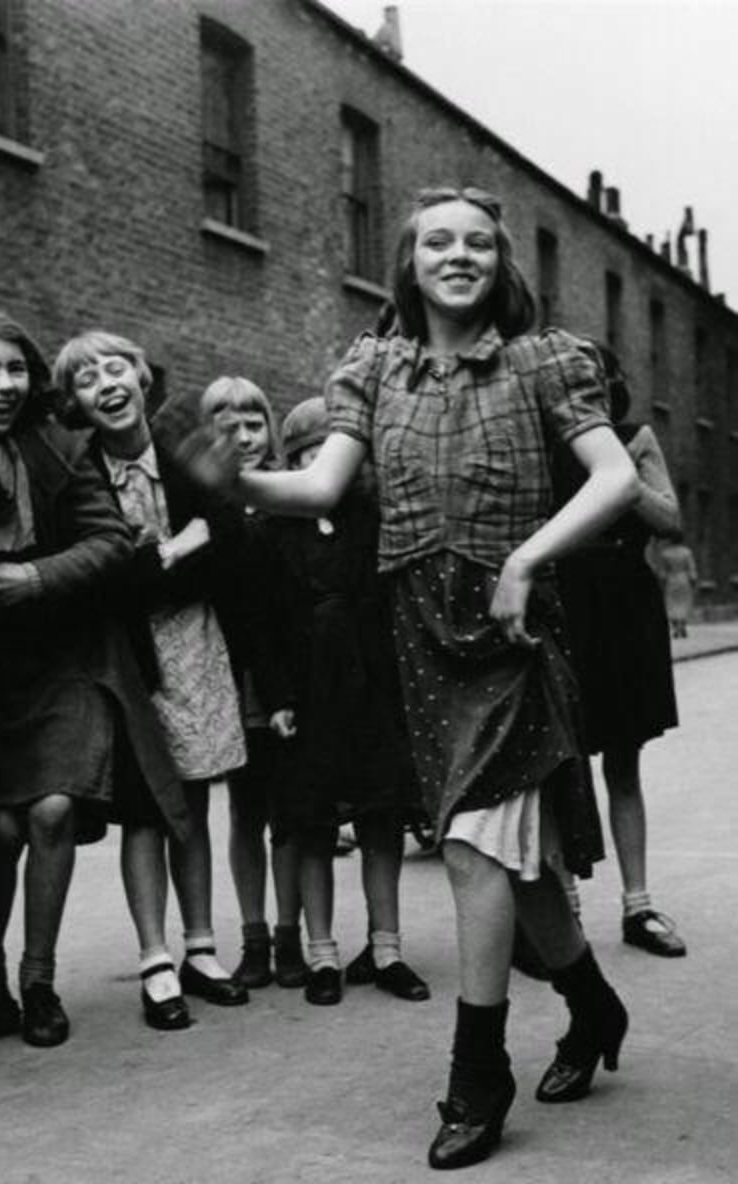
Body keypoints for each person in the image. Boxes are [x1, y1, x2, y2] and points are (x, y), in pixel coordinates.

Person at [165, 187, 637, 1170]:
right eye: (436, 241)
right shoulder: (373, 365)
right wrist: (236, 481)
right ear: (408, 262)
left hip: (511, 631)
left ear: (498, 263)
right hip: (417, 633)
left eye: (476, 242)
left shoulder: (546, 361)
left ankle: (478, 1071)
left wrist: (522, 561)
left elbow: (613, 478)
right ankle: (592, 1005)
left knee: (469, 846)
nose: (455, 254)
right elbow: (323, 485)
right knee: (515, 864)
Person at [0, 310, 148, 1048]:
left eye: (15, 369)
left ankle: (38, 980)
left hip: (63, 655)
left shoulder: (58, 446)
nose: (2, 384)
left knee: (53, 810)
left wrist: (37, 575)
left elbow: (112, 541)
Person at [53, 330, 250, 1014]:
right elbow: (105, 581)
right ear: (75, 403)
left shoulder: (182, 463)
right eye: (86, 379)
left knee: (191, 800)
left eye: (117, 369)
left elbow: (231, 546)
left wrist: (162, 555)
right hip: (126, 655)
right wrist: (176, 552)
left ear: (143, 381)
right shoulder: (79, 477)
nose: (106, 384)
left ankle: (200, 947)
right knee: (145, 808)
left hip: (196, 643)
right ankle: (154, 959)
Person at [259, 396, 429, 1008]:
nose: (321, 468)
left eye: (334, 454)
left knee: (381, 819)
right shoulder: (274, 533)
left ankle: (387, 948)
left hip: (371, 690)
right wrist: (276, 697)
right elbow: (267, 627)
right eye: (307, 456)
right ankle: (323, 952)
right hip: (307, 695)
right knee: (311, 827)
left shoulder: (374, 522)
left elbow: (396, 607)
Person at [554, 346, 686, 957]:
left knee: (624, 762)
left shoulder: (635, 438)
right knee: (562, 764)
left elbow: (669, 518)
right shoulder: (547, 441)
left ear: (611, 385)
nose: (586, 391)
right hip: (563, 606)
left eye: (595, 381)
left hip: (625, 608)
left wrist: (623, 477)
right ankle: (564, 910)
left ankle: (638, 907)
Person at [198, 376, 307, 991]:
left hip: (286, 673)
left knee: (287, 810)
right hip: (231, 672)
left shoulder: (289, 498)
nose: (241, 437)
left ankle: (291, 934)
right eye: (225, 425)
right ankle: (254, 937)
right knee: (244, 809)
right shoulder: (203, 504)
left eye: (253, 424)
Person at [655, 536, 698, 639]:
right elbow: (691, 567)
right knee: (684, 602)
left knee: (671, 603)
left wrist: (662, 581)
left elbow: (663, 572)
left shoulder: (665, 553)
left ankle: (675, 626)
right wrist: (693, 579)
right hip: (684, 579)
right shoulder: (687, 552)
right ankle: (682, 625)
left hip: (671, 579)